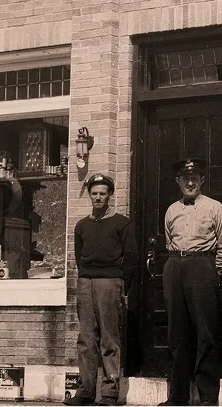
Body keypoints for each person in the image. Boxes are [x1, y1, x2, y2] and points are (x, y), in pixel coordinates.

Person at [160, 157, 222, 407]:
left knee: (205, 332)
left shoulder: (215, 208)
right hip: (175, 265)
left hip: (202, 266)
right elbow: (169, 241)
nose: (189, 182)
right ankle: (178, 395)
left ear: (202, 180)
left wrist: (213, 272)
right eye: (185, 178)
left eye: (194, 178)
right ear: (178, 181)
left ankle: (208, 397)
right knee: (176, 333)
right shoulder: (172, 210)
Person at [66, 173, 139, 407]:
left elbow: (131, 257)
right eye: (94, 193)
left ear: (109, 195)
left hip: (110, 282)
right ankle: (86, 390)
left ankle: (109, 392)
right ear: (90, 195)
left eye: (102, 193)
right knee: (86, 338)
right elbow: (80, 257)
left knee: (109, 338)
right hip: (86, 282)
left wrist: (120, 284)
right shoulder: (82, 225)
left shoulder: (121, 223)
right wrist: (85, 277)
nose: (98, 197)